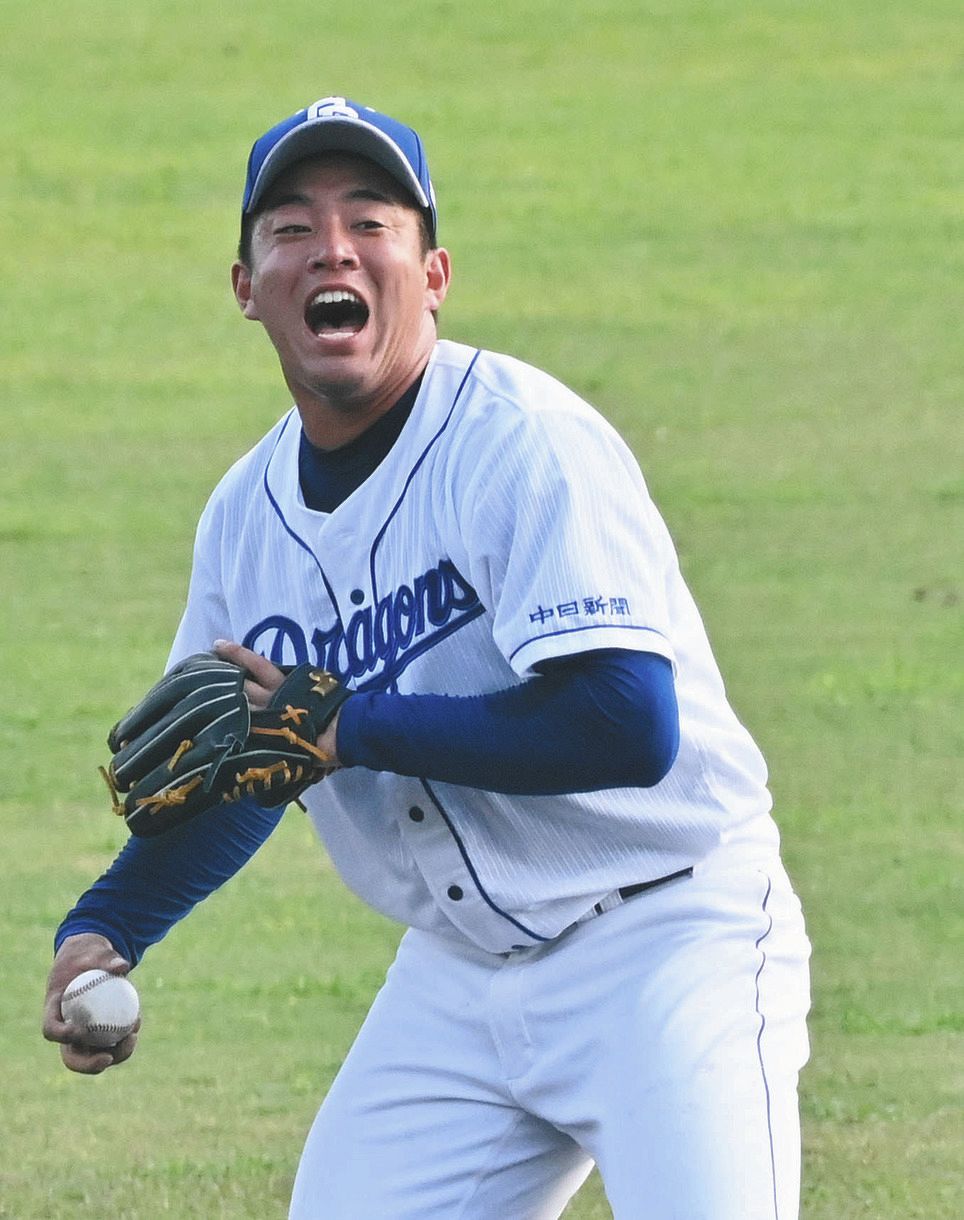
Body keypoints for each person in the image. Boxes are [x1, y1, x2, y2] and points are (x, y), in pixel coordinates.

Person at [43, 95, 811, 1219]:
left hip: (668, 940)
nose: (333, 247)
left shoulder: (522, 443)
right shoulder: (243, 522)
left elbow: (624, 721)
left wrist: (348, 724)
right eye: (292, 229)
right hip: (460, 978)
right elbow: (249, 762)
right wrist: (107, 924)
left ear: (433, 272)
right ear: (247, 287)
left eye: (371, 220)